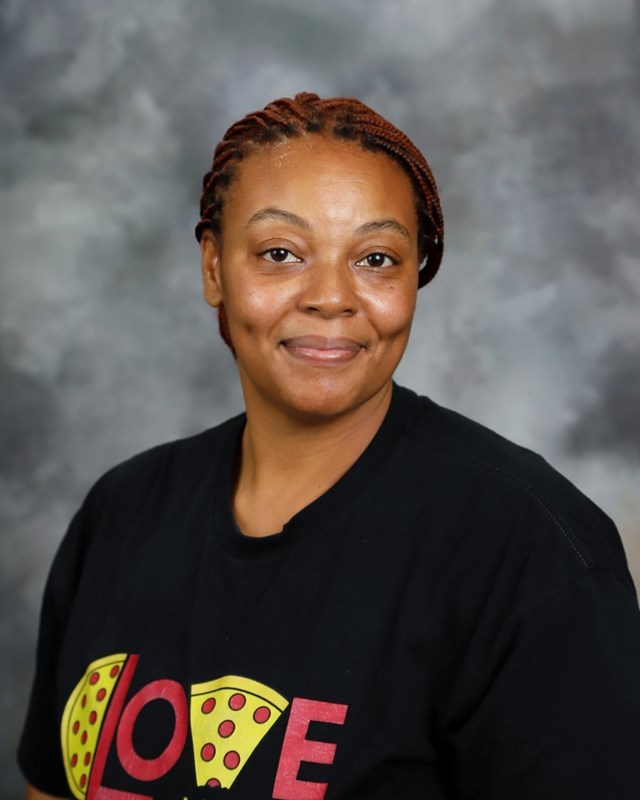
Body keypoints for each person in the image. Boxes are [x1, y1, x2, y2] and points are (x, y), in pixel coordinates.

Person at [18, 92, 640, 800]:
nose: (331, 297)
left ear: (414, 277)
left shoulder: (534, 555)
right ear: (214, 268)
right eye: (281, 253)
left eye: (376, 258)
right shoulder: (121, 515)